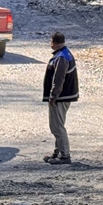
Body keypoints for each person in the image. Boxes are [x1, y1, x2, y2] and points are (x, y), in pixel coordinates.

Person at [42, 31, 78, 165]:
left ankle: (64, 156)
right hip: (63, 97)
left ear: (54, 42)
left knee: (57, 127)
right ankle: (57, 152)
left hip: (61, 98)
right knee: (57, 125)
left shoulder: (61, 57)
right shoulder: (64, 54)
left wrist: (53, 96)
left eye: (51, 41)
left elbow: (58, 79)